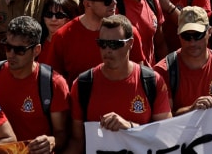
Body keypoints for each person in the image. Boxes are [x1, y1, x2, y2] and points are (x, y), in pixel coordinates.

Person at [67, 15, 172, 154]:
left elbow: (165, 134)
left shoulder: (151, 81)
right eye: (102, 44)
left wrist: (129, 127)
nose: (108, 50)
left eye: (115, 44)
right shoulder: (83, 84)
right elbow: (77, 141)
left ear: (130, 43)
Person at [0, 16, 71, 154]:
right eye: (8, 47)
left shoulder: (53, 84)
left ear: (36, 50)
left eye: (20, 50)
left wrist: (51, 141)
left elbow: (62, 133)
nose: (11, 54)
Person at [153, 6, 212, 114]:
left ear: (209, 32)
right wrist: (191, 111)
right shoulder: (163, 71)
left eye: (198, 35)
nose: (192, 42)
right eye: (186, 36)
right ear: (178, 35)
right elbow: (162, 122)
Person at [48, 0, 119, 81]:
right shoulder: (63, 37)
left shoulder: (126, 33)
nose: (114, 2)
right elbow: (54, 83)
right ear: (87, 4)